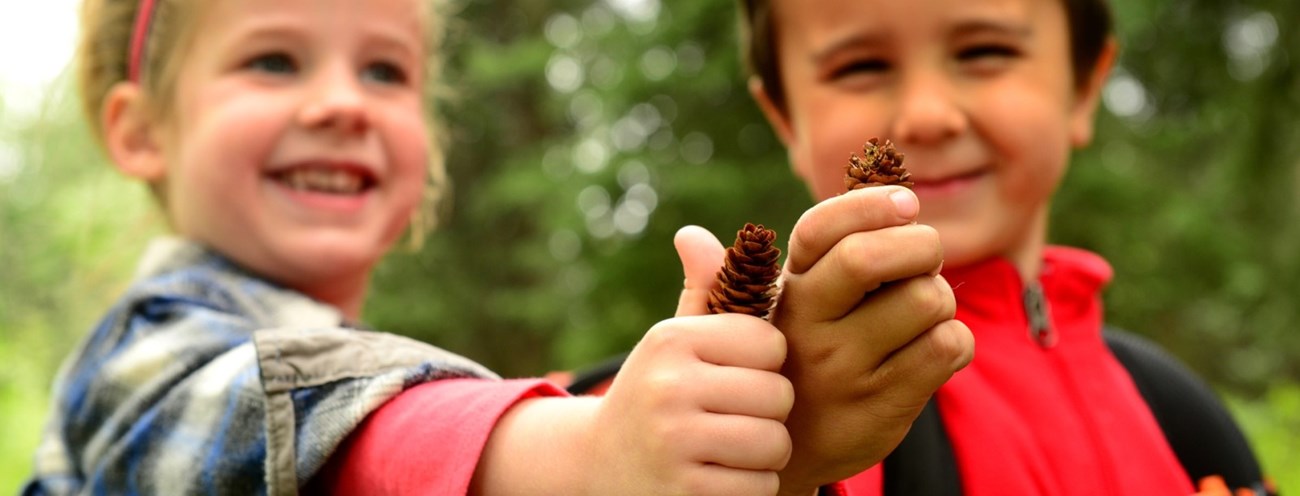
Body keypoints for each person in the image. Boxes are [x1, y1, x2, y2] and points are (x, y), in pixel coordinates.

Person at [24, 0, 973, 494]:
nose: (342, 103)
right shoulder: (144, 356)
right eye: (274, 59)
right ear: (141, 130)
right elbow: (301, 418)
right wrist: (589, 457)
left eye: (386, 71)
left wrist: (747, 455)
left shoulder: (415, 372)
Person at [732, 0, 1275, 494]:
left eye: (984, 52)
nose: (928, 116)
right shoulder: (783, 421)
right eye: (859, 66)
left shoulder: (1180, 414)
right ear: (785, 122)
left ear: (1084, 88)